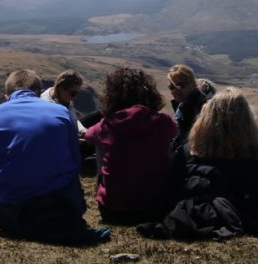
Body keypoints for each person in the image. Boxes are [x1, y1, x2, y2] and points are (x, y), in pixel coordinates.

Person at [139, 87, 258, 240]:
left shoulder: (189, 152)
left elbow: (171, 187)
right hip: (249, 215)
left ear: (208, 116)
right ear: (247, 119)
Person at [0, 69, 110, 244]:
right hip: (60, 203)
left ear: (7, 95)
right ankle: (63, 223)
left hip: (12, 213)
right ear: (37, 91)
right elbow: (75, 160)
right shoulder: (61, 113)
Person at [84, 68, 178, 224]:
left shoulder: (106, 125)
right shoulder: (164, 122)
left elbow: (88, 137)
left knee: (98, 144)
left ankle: (106, 187)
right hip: (157, 208)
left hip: (113, 211)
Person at [167, 64, 207, 148]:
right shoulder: (182, 105)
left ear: (192, 84)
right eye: (171, 86)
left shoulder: (202, 107)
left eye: (179, 86)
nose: (174, 91)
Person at [40, 69, 87, 136]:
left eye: (76, 93)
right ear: (61, 88)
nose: (74, 97)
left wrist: (82, 130)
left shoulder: (65, 98)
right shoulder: (46, 105)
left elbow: (73, 119)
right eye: (73, 93)